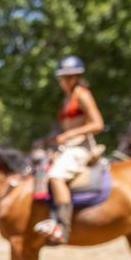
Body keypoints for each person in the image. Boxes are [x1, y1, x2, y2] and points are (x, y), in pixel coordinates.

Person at [34, 56, 104, 245]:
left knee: (56, 176)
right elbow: (64, 130)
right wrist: (46, 140)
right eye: (64, 77)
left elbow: (98, 124)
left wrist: (70, 134)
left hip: (81, 147)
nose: (66, 80)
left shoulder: (83, 95)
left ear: (77, 77)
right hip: (67, 147)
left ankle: (62, 228)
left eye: (71, 76)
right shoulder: (66, 99)